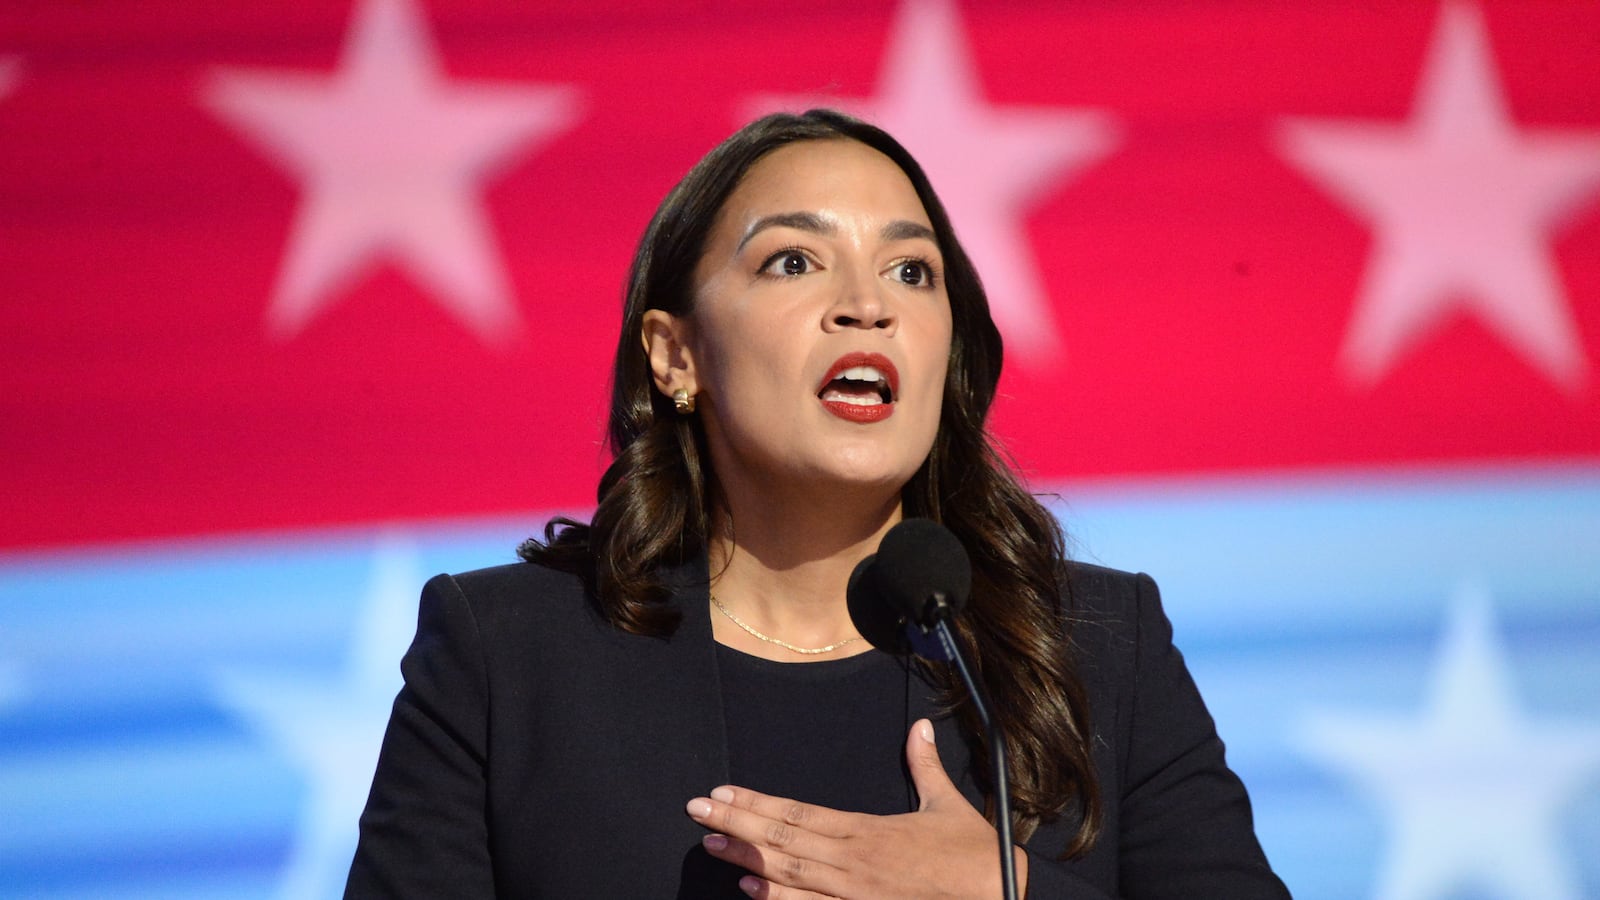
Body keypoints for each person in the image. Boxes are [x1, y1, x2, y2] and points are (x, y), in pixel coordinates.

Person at [345, 109, 1290, 899]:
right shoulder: (507, 655)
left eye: (911, 271)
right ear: (675, 355)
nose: (866, 306)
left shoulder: (1095, 644)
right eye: (793, 262)